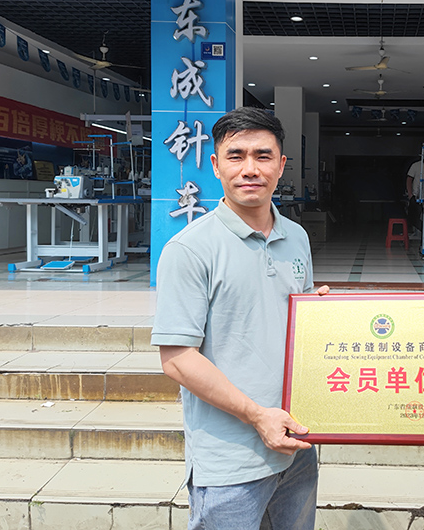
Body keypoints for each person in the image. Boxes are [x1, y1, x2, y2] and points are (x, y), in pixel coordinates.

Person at [151, 108, 328, 530]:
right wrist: (257, 415)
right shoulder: (189, 249)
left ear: (281, 165)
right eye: (236, 156)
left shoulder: (296, 237)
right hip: (229, 461)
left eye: (263, 156)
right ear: (216, 165)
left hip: (296, 444)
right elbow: (177, 358)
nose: (250, 169)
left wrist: (318, 316)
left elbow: (285, 321)